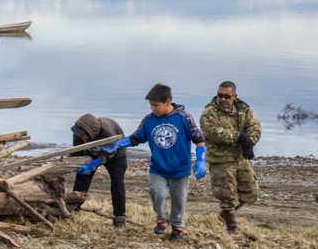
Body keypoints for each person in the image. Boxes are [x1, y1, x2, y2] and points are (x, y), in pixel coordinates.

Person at [100, 83, 207, 240]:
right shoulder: (149, 120)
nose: (153, 108)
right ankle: (162, 219)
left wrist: (200, 160)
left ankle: (177, 227)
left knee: (179, 199)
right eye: (151, 105)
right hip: (158, 168)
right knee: (156, 192)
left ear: (168, 102)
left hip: (180, 169)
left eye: (156, 105)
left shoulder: (184, 118)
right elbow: (137, 137)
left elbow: (199, 138)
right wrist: (118, 144)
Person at [200, 80, 261, 234]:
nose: (223, 99)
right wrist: (239, 136)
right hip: (220, 159)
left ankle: (224, 216)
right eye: (220, 95)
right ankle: (232, 228)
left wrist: (249, 142)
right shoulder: (209, 113)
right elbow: (213, 133)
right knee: (227, 194)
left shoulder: (243, 109)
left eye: (227, 96)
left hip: (239, 158)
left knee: (251, 192)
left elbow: (254, 127)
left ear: (234, 96)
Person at [71, 114, 128, 228]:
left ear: (90, 131)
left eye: (82, 134)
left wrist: (93, 165)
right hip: (91, 152)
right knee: (81, 179)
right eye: (79, 134)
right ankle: (73, 208)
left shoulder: (107, 132)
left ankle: (119, 218)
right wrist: (72, 164)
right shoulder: (78, 134)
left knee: (117, 184)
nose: (80, 136)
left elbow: (108, 154)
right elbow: (76, 151)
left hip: (116, 154)